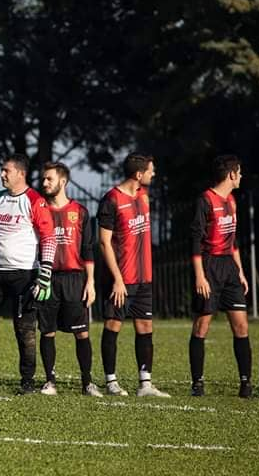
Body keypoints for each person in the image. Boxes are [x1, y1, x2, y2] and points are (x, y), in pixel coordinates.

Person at [0, 153, 55, 394]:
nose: (2, 174)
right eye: (2, 170)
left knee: (24, 330)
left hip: (24, 276)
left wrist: (45, 272)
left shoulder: (35, 201)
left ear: (21, 173)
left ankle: (27, 382)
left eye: (6, 170)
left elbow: (49, 238)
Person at [97, 152, 169, 398]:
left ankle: (145, 384)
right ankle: (111, 382)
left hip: (144, 277)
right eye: (151, 170)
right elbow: (105, 243)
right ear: (139, 174)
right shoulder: (111, 200)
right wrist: (117, 279)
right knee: (113, 325)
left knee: (145, 326)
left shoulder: (144, 196)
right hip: (122, 279)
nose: (154, 174)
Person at [190, 155, 252, 398]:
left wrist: (241, 272)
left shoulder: (233, 201)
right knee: (202, 325)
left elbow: (233, 240)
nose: (241, 176)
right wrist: (199, 276)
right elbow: (195, 241)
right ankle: (198, 383)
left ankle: (245, 383)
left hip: (229, 268)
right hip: (208, 266)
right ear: (231, 175)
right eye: (240, 172)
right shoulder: (205, 200)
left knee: (241, 325)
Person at [38, 162, 102, 397]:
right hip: (48, 278)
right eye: (43, 179)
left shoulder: (81, 212)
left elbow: (88, 250)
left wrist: (91, 282)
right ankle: (49, 381)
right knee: (47, 331)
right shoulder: (39, 210)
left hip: (75, 280)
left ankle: (87, 383)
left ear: (62, 182)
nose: (45, 183)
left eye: (49, 179)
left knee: (82, 332)